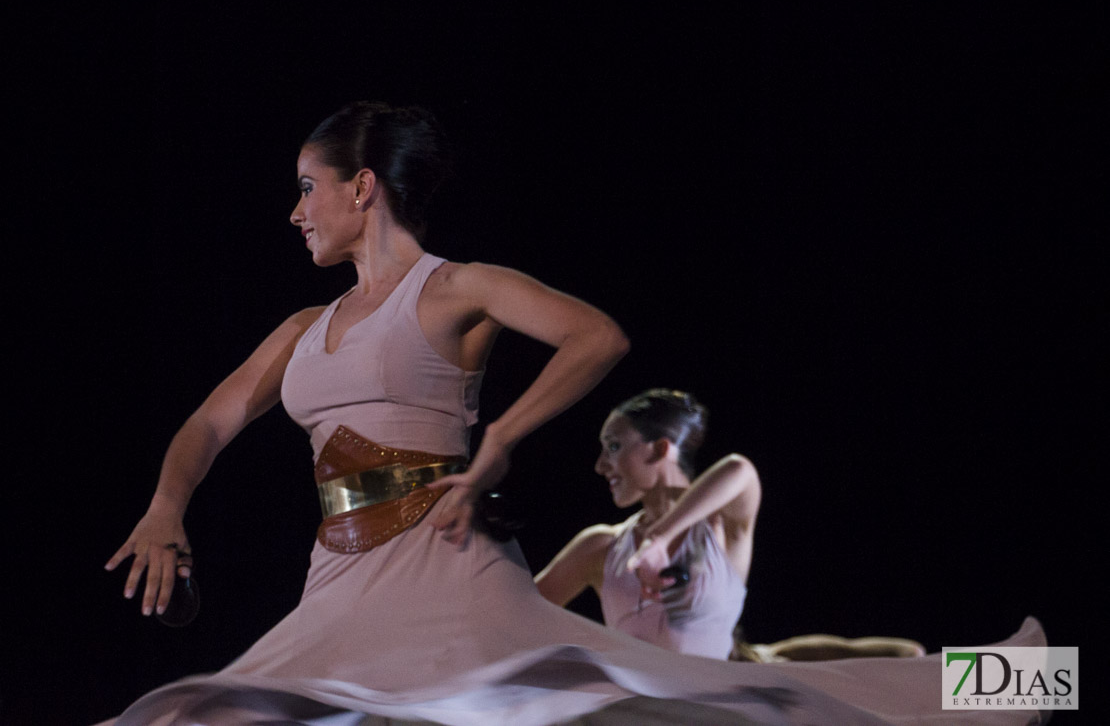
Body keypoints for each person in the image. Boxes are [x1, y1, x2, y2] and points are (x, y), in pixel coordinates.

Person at [99, 103, 1047, 726]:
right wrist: (165, 507)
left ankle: (1033, 680)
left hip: (444, 566)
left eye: (308, 187)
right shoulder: (302, 328)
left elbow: (595, 336)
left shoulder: (455, 288)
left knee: (725, 697)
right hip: (339, 582)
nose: (296, 211)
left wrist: (503, 436)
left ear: (362, 187)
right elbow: (211, 422)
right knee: (201, 714)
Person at [535, 389, 926, 663]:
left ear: (659, 448)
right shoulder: (600, 545)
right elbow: (517, 611)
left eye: (614, 446)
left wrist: (659, 538)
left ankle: (982, 685)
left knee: (921, 666)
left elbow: (740, 469)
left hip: (717, 702)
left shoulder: (721, 525)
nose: (601, 464)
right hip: (645, 706)